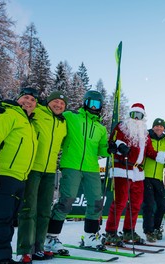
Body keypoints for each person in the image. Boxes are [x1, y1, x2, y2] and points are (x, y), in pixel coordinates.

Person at [44, 90, 112, 254]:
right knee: (66, 201)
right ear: (85, 102)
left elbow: (102, 149)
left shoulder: (101, 128)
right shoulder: (71, 116)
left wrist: (112, 148)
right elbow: (51, 115)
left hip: (91, 168)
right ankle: (51, 237)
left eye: (97, 104)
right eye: (91, 103)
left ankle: (89, 236)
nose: (94, 107)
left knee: (96, 202)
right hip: (71, 164)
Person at [0, 88, 39, 264]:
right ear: (17, 100)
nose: (29, 101)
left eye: (33, 100)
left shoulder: (29, 124)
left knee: (8, 220)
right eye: (25, 97)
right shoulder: (8, 114)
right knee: (0, 218)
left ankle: (4, 256)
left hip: (20, 178)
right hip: (3, 174)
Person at [104, 103, 165, 244]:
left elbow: (150, 152)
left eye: (140, 116)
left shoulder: (145, 134)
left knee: (136, 203)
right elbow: (112, 141)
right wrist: (120, 146)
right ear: (130, 115)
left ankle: (128, 231)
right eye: (134, 115)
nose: (136, 118)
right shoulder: (122, 127)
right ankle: (111, 231)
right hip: (122, 168)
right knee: (120, 202)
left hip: (138, 171)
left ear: (143, 117)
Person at [15, 91, 68, 264]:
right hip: (32, 169)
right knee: (29, 210)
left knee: (45, 211)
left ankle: (38, 247)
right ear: (48, 102)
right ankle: (24, 250)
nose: (58, 105)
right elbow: (20, 110)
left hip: (50, 171)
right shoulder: (38, 112)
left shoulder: (63, 124)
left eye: (62, 103)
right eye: (56, 101)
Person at [142, 118, 165, 242]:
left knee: (162, 204)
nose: (158, 128)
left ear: (164, 128)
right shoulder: (147, 137)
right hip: (146, 176)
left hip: (159, 177)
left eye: (161, 126)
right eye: (156, 126)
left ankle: (156, 228)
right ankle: (148, 231)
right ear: (153, 127)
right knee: (148, 205)